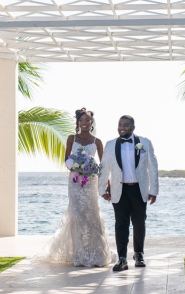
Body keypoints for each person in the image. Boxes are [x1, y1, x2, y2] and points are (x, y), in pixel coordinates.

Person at [42, 108, 114, 267]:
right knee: (76, 213)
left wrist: (107, 184)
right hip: (75, 181)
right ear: (78, 122)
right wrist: (77, 167)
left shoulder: (97, 142)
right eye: (82, 120)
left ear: (91, 122)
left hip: (90, 182)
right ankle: (79, 254)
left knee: (91, 214)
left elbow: (103, 166)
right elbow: (66, 160)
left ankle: (97, 253)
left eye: (87, 120)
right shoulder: (71, 139)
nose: (84, 123)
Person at [98, 115, 159, 272]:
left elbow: (152, 167)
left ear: (133, 127)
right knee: (121, 224)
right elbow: (104, 168)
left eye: (126, 125)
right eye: (120, 125)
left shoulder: (144, 143)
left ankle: (139, 254)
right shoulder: (110, 145)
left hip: (139, 189)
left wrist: (154, 190)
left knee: (139, 223)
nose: (122, 127)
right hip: (120, 190)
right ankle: (122, 259)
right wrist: (102, 189)